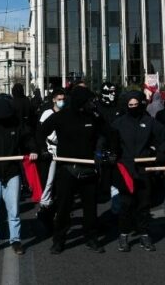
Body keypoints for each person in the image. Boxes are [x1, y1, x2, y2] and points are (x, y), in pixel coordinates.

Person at [37, 85, 113, 254]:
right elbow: (41, 132)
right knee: (64, 207)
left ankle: (91, 237)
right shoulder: (61, 117)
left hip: (89, 169)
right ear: (80, 101)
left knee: (90, 207)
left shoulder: (94, 117)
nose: (91, 103)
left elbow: (107, 133)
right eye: (88, 101)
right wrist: (43, 150)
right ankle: (59, 240)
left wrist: (104, 151)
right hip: (67, 168)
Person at [0, 94, 37, 255]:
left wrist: (32, 150)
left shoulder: (17, 123)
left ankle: (15, 240)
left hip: (12, 172)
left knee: (14, 209)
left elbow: (27, 139)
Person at [111, 91, 165, 252]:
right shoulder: (119, 123)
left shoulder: (148, 121)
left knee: (144, 205)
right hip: (126, 169)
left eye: (136, 105)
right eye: (131, 105)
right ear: (126, 106)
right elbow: (108, 140)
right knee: (126, 204)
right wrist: (110, 154)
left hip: (144, 169)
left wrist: (160, 153)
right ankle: (123, 235)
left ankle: (144, 234)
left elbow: (164, 136)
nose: (134, 108)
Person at [36, 89, 65, 228]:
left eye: (63, 98)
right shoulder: (47, 113)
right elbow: (42, 131)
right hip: (51, 148)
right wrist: (43, 149)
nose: (61, 101)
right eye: (59, 99)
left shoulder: (66, 113)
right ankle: (45, 202)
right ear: (54, 99)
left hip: (63, 149)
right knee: (50, 179)